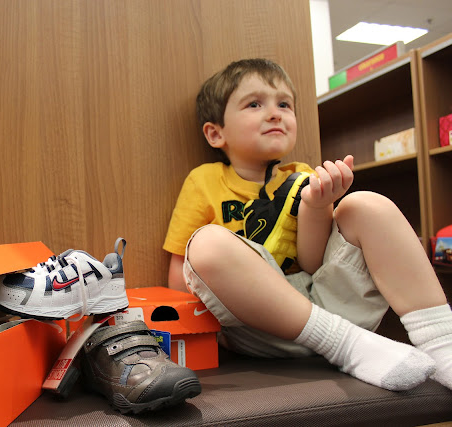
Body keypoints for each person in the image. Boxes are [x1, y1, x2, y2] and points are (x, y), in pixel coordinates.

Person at [163, 58, 452, 392]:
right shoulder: (204, 181)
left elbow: (313, 263)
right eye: (254, 104)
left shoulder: (304, 177)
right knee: (206, 243)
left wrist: (316, 206)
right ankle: (348, 347)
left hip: (329, 308)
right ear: (216, 133)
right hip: (256, 326)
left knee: (365, 204)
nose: (275, 113)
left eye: (284, 104)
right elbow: (181, 273)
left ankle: (441, 341)